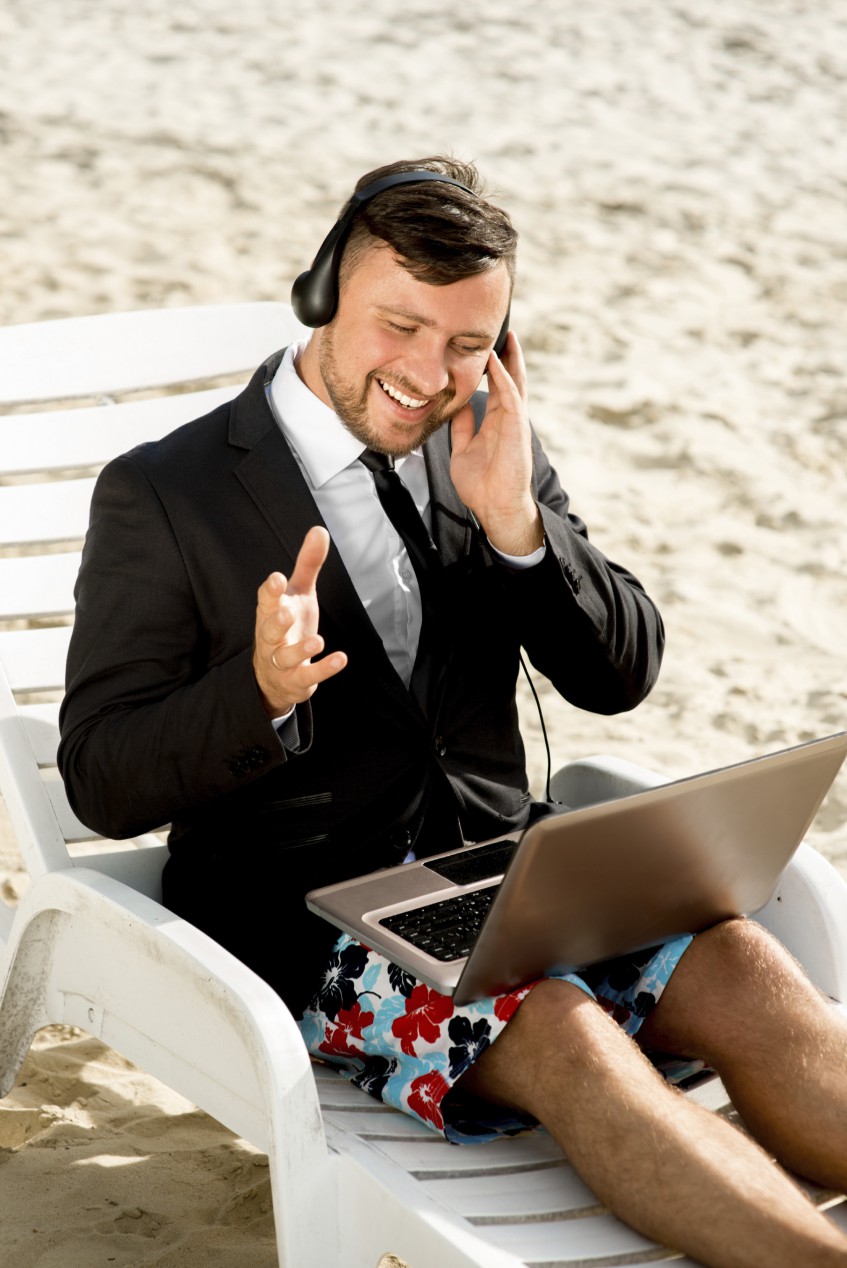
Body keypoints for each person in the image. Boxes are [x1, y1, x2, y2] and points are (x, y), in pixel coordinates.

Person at [58, 157, 847, 1266]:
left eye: (468, 342)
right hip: (317, 917)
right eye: (401, 326)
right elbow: (98, 770)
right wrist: (261, 693)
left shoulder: (482, 441)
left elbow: (619, 673)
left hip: (514, 874)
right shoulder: (164, 491)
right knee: (560, 1028)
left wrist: (519, 525)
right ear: (325, 289)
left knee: (742, 967)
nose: (430, 374)